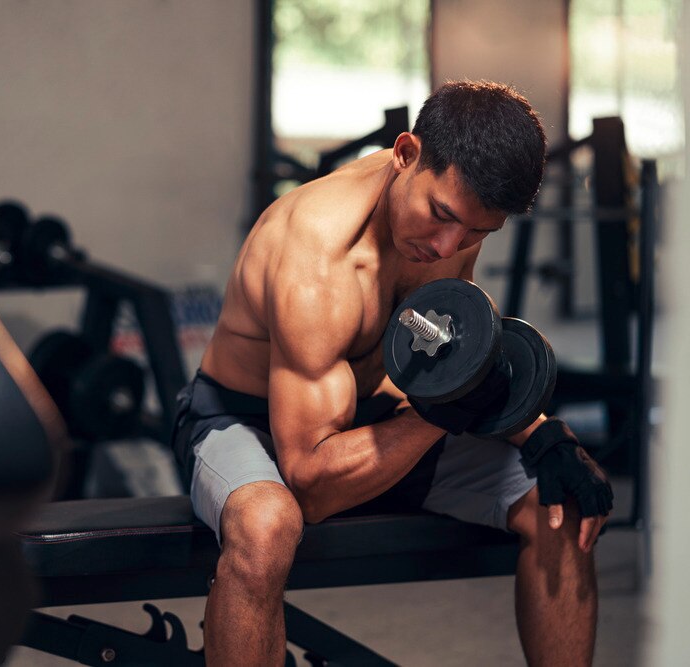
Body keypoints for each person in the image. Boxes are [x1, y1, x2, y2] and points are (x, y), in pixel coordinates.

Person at [170, 80, 614, 666]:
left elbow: (450, 363)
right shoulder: (316, 256)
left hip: (375, 415)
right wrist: (444, 409)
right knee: (266, 525)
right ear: (405, 154)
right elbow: (310, 483)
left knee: (561, 496)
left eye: (478, 232)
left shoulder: (454, 225)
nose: (450, 245)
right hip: (240, 421)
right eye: (441, 215)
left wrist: (539, 433)